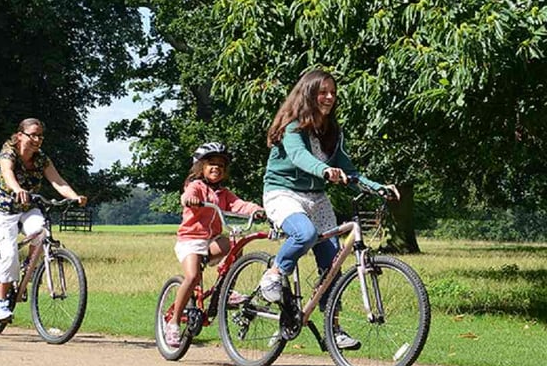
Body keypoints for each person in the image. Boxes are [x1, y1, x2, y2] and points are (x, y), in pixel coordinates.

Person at [258, 69, 399, 349]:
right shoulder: (293, 126)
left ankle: (333, 330)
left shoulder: (333, 132)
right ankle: (274, 274)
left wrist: (377, 187)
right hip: (283, 192)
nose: (329, 97)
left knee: (332, 265)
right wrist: (324, 170)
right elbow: (299, 157)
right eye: (323, 92)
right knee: (304, 233)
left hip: (317, 197)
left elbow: (349, 171)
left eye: (333, 92)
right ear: (309, 93)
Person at [0, 118, 88, 322]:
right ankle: (2, 304)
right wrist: (18, 189)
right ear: (20, 135)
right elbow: (7, 173)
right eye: (33, 135)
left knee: (41, 230)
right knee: (8, 253)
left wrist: (75, 196)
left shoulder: (42, 159)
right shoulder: (8, 152)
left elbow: (57, 181)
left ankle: (27, 267)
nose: (38, 139)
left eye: (40, 136)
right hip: (1, 210)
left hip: (27, 207)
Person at [164, 142, 264, 348]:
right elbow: (186, 195)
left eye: (221, 165)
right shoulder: (196, 186)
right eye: (211, 164)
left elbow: (239, 204)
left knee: (234, 245)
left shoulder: (224, 193)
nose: (216, 168)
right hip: (191, 240)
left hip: (211, 241)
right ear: (200, 166)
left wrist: (256, 209)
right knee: (192, 277)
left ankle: (225, 291)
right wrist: (190, 199)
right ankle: (173, 324)